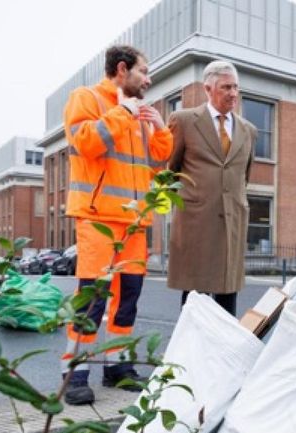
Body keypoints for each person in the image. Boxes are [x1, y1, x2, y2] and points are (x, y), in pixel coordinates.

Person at [62, 45, 173, 405]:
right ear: (122, 70)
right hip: (98, 219)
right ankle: (75, 373)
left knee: (127, 302)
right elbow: (85, 143)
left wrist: (159, 129)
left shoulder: (137, 112)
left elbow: (156, 160)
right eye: (144, 71)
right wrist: (122, 112)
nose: (149, 78)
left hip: (135, 223)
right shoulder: (87, 98)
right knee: (92, 301)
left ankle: (117, 368)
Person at [167, 60, 256, 316]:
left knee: (228, 296)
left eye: (236, 87)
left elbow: (242, 178)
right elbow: (169, 172)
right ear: (208, 89)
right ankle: (189, 354)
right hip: (197, 223)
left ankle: (222, 353)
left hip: (232, 222)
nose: (233, 94)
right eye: (226, 87)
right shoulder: (183, 121)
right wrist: (191, 200)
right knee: (196, 298)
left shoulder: (248, 130)